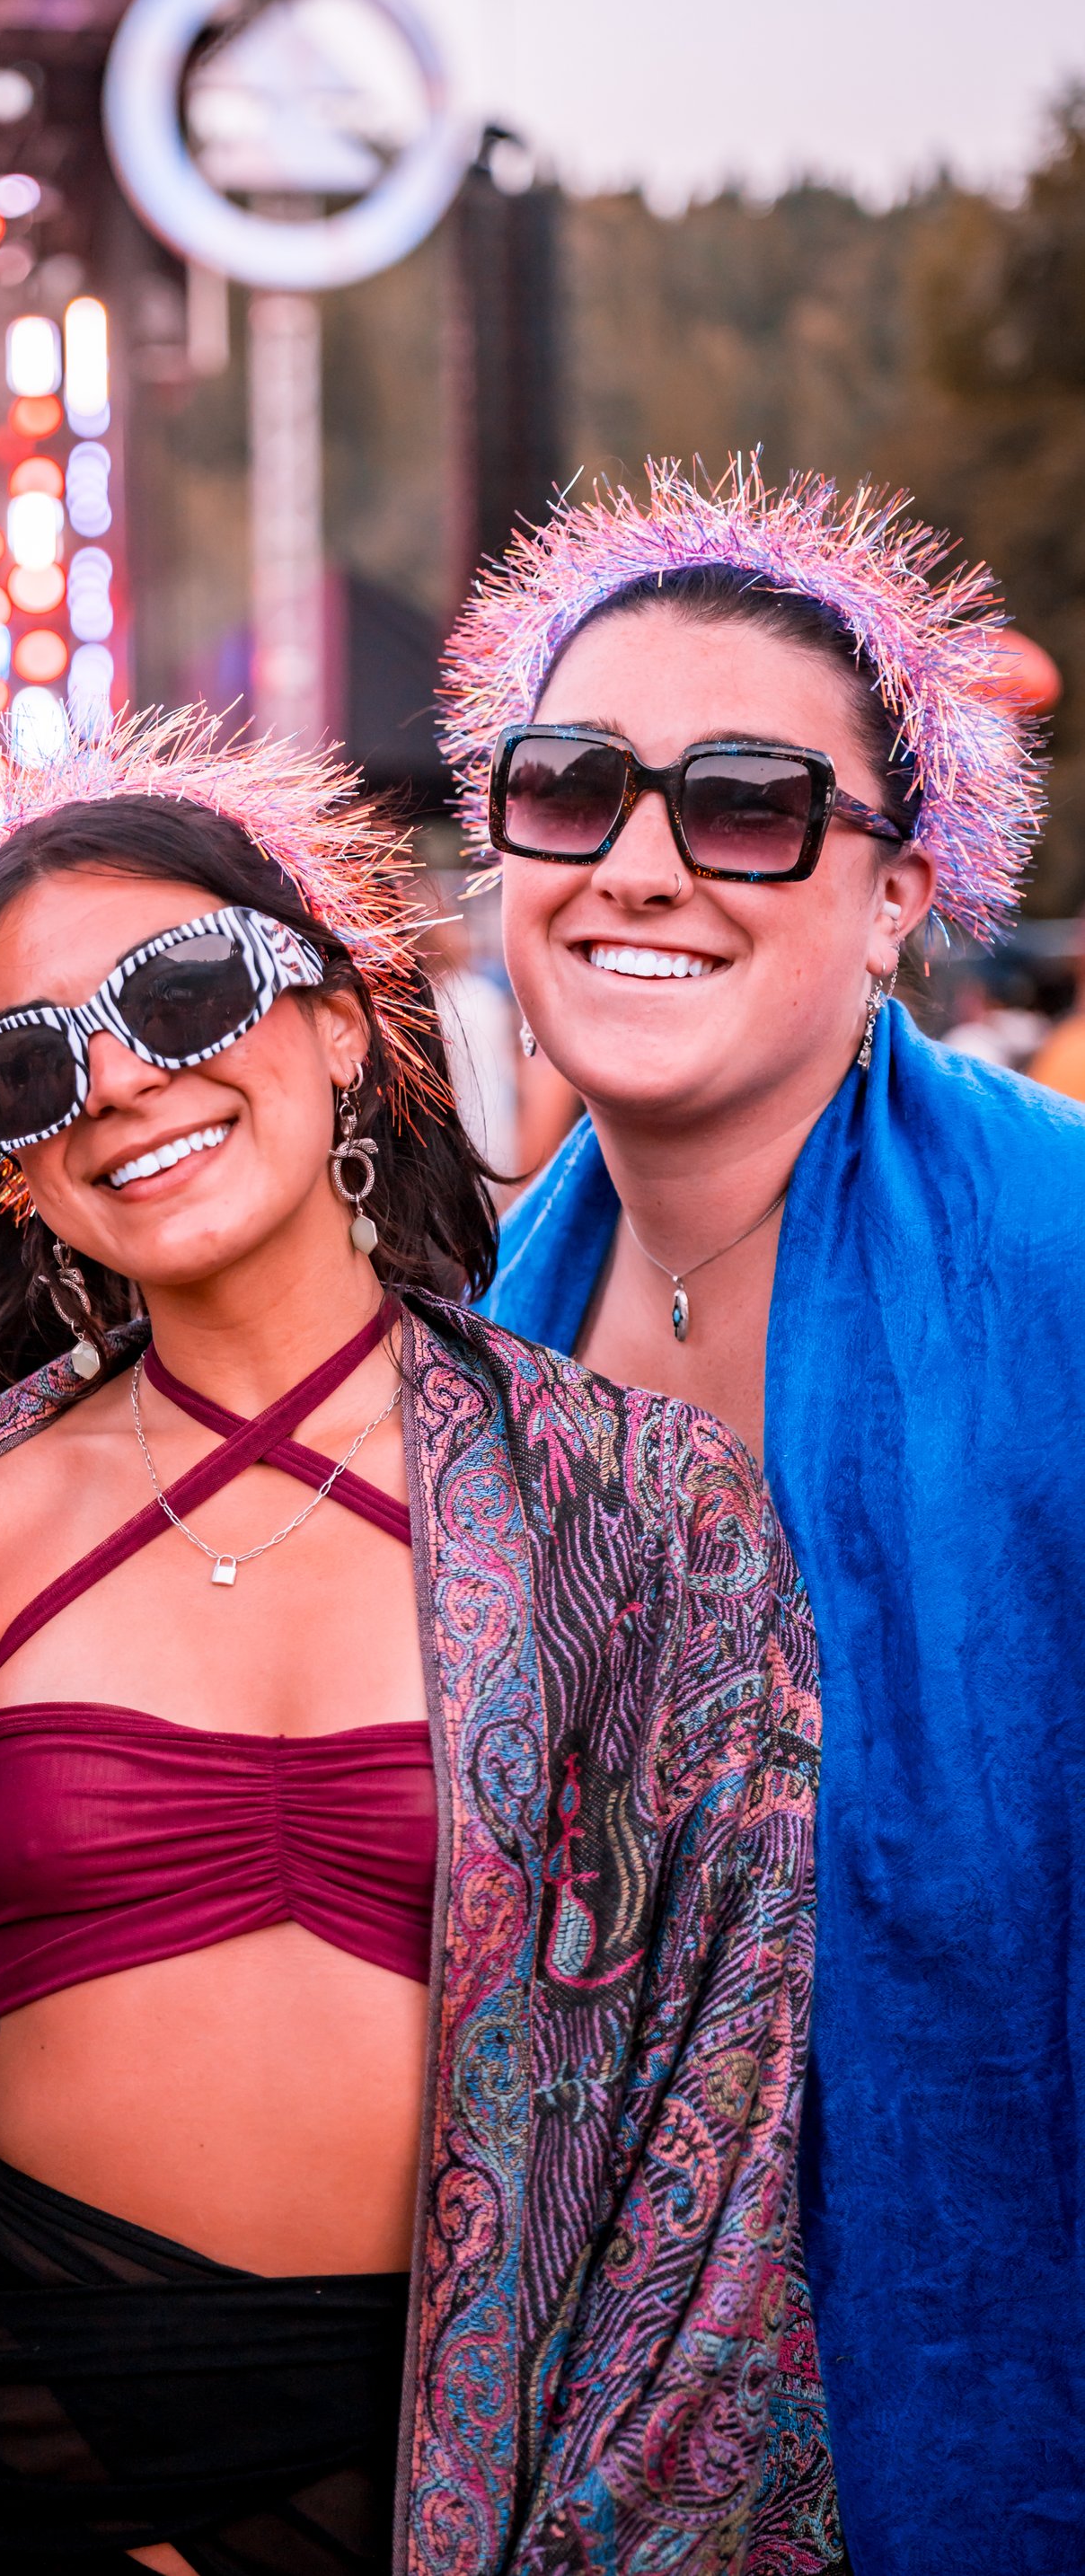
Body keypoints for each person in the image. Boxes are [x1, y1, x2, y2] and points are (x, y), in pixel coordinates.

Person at [0, 714, 838, 2574]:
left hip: (477, 2438)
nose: (115, 1081)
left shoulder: (640, 1516)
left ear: (341, 1024)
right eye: (27, 1065)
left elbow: (728, 2108)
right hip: (20, 2432)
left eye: (184, 992)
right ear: (6, 1167)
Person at [442, 460, 1085, 2572]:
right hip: (597, 2436)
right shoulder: (464, 1344)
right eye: (570, 787)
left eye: (742, 806)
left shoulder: (1059, 1260)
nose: (639, 863)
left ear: (897, 888)